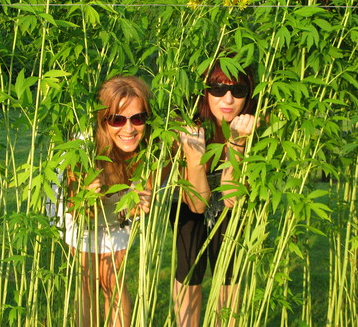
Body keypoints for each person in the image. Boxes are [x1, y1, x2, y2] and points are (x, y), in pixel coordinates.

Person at [170, 60, 257, 327]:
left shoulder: (254, 125)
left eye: (238, 90)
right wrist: (194, 159)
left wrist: (237, 143)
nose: (228, 99)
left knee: (229, 274)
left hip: (231, 203)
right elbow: (197, 205)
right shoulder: (186, 123)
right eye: (218, 89)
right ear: (204, 91)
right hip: (191, 196)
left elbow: (231, 197)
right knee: (188, 271)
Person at [62, 75, 153, 327]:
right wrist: (88, 196)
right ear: (103, 120)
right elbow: (76, 211)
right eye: (117, 119)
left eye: (138, 118)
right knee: (88, 282)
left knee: (114, 282)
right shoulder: (83, 149)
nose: (129, 129)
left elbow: (141, 202)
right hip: (83, 218)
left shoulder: (150, 149)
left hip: (117, 221)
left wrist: (141, 206)